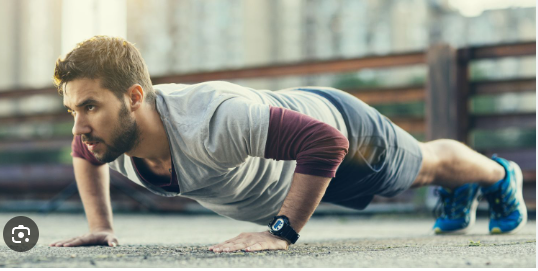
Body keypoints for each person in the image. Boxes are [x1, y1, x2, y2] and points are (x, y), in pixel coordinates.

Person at [49, 36, 527, 252]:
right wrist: (100, 225)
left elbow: (325, 141)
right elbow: (82, 153)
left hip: (343, 132)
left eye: (89, 107)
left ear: (134, 99)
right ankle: (461, 191)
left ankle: (501, 176)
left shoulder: (213, 120)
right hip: (298, 176)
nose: (79, 128)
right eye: (73, 111)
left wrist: (279, 232)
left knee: (424, 164)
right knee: (418, 176)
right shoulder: (109, 137)